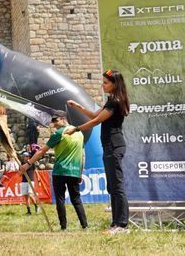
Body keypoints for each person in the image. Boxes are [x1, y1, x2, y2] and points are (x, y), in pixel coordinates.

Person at [66, 69, 130, 234]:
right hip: (109, 146)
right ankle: (115, 223)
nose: (103, 85)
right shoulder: (110, 101)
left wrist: (76, 129)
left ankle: (122, 225)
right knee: (112, 187)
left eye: (106, 83)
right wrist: (78, 106)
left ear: (115, 84)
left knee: (117, 186)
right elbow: (94, 114)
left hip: (114, 145)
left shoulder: (115, 101)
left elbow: (96, 121)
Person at [21, 110, 87, 230]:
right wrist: (80, 172)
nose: (54, 124)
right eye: (53, 121)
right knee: (76, 199)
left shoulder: (58, 134)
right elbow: (83, 155)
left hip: (60, 171)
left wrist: (28, 163)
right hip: (74, 171)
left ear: (63, 119)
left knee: (60, 199)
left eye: (55, 120)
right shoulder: (79, 133)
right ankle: (85, 226)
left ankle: (63, 227)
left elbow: (41, 151)